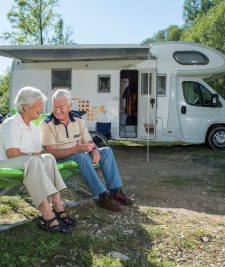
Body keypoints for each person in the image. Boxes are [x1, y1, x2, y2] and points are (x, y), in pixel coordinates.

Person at [40, 89, 133, 212]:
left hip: (76, 153)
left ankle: (116, 191)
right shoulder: (47, 124)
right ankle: (102, 196)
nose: (57, 110)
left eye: (61, 107)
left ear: (69, 106)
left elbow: (89, 141)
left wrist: (94, 149)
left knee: (106, 151)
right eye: (54, 107)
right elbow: (51, 152)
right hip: (58, 158)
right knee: (81, 156)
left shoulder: (77, 119)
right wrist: (76, 149)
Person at [0, 87, 76, 233]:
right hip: (5, 164)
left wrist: (41, 156)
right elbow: (12, 153)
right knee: (34, 161)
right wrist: (35, 157)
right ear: (24, 106)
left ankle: (58, 206)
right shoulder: (11, 123)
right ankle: (47, 216)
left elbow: (38, 153)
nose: (42, 108)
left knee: (48, 157)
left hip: (25, 164)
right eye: (39, 104)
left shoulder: (35, 128)